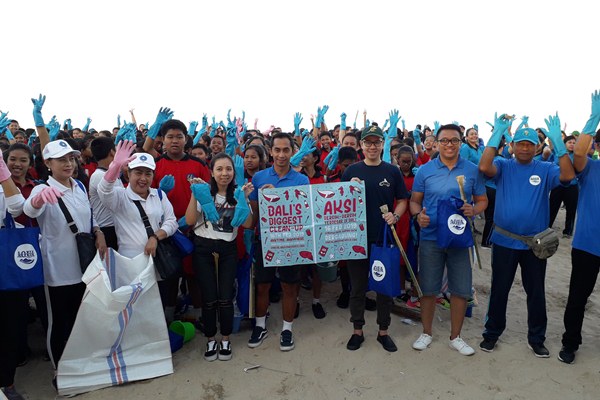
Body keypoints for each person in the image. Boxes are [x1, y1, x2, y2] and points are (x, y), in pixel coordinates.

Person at [478, 113, 575, 357]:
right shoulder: (503, 165)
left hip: (535, 244)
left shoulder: (545, 168)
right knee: (499, 289)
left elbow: (567, 176)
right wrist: (497, 132)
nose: (524, 147)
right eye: (520, 143)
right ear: (511, 146)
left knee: (536, 292)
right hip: (503, 240)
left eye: (529, 144)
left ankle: (536, 338)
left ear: (537, 147)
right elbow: (483, 166)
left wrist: (559, 144)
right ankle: (491, 334)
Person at [24, 139, 108, 381]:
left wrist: (99, 232)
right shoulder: (42, 189)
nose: (68, 164)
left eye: (71, 158)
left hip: (83, 265)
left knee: (79, 319)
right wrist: (38, 200)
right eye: (61, 159)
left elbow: (90, 216)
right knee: (59, 323)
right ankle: (59, 370)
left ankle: (80, 362)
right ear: (48, 163)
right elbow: (29, 210)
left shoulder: (79, 186)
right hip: (58, 270)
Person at [410, 124, 487, 356]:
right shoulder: (425, 170)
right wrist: (418, 216)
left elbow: (482, 200)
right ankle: (426, 332)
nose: (449, 145)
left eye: (454, 140)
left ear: (460, 143)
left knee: (460, 289)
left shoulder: (472, 170)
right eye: (444, 141)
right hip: (431, 237)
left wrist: (474, 210)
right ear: (437, 143)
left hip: (460, 239)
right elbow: (415, 201)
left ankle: (456, 337)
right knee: (428, 288)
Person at [342, 125, 409, 353]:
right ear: (361, 145)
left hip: (383, 238)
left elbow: (402, 199)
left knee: (383, 287)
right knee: (358, 287)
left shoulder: (392, 171)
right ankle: (357, 330)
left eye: (376, 142)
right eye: (368, 142)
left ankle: (383, 331)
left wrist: (396, 214)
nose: (372, 146)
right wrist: (346, 191)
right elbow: (338, 205)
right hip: (356, 238)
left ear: (383, 144)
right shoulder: (351, 171)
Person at [185, 153, 254, 361]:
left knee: (225, 297)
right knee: (208, 298)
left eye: (228, 169)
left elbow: (248, 224)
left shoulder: (238, 193)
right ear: (212, 173)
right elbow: (190, 220)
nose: (224, 173)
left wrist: (245, 199)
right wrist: (195, 194)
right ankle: (210, 338)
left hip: (228, 250)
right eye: (219, 169)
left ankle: (225, 338)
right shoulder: (204, 190)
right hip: (203, 248)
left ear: (234, 172)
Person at [247, 132, 309, 351]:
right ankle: (260, 325)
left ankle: (287, 329)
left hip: (291, 242)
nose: (281, 155)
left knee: (289, 287)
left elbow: (305, 214)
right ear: (270, 151)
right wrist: (249, 234)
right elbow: (253, 214)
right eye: (277, 150)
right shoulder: (259, 178)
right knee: (262, 286)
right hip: (264, 240)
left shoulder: (302, 180)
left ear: (292, 152)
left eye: (286, 150)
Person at [558, 90, 600, 364]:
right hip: (587, 245)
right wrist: (593, 118)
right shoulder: (592, 169)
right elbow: (580, 152)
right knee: (577, 298)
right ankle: (570, 343)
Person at [0, 154, 27, 400]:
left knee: (10, 326)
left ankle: (7, 384)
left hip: (7, 259)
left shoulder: (5, 184)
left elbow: (18, 207)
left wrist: (4, 173)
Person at [89, 137, 122, 249]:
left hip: (114, 226)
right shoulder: (99, 176)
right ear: (112, 152)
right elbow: (119, 200)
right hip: (107, 229)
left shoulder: (108, 173)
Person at [548, 135, 579, 238]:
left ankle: (567, 232)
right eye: (569, 142)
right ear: (564, 144)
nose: (572, 145)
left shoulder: (578, 156)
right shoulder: (558, 153)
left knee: (571, 209)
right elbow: (551, 147)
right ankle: (547, 227)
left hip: (572, 186)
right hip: (558, 184)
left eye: (574, 143)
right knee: (552, 206)